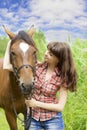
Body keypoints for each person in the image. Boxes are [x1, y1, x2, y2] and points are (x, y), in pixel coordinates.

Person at [3, 41, 77, 130]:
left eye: (51, 54)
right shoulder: (36, 68)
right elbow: (6, 66)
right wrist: (9, 45)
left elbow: (60, 107)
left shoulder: (63, 77)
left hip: (52, 120)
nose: (46, 54)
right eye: (47, 50)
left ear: (59, 59)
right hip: (33, 119)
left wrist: (35, 104)